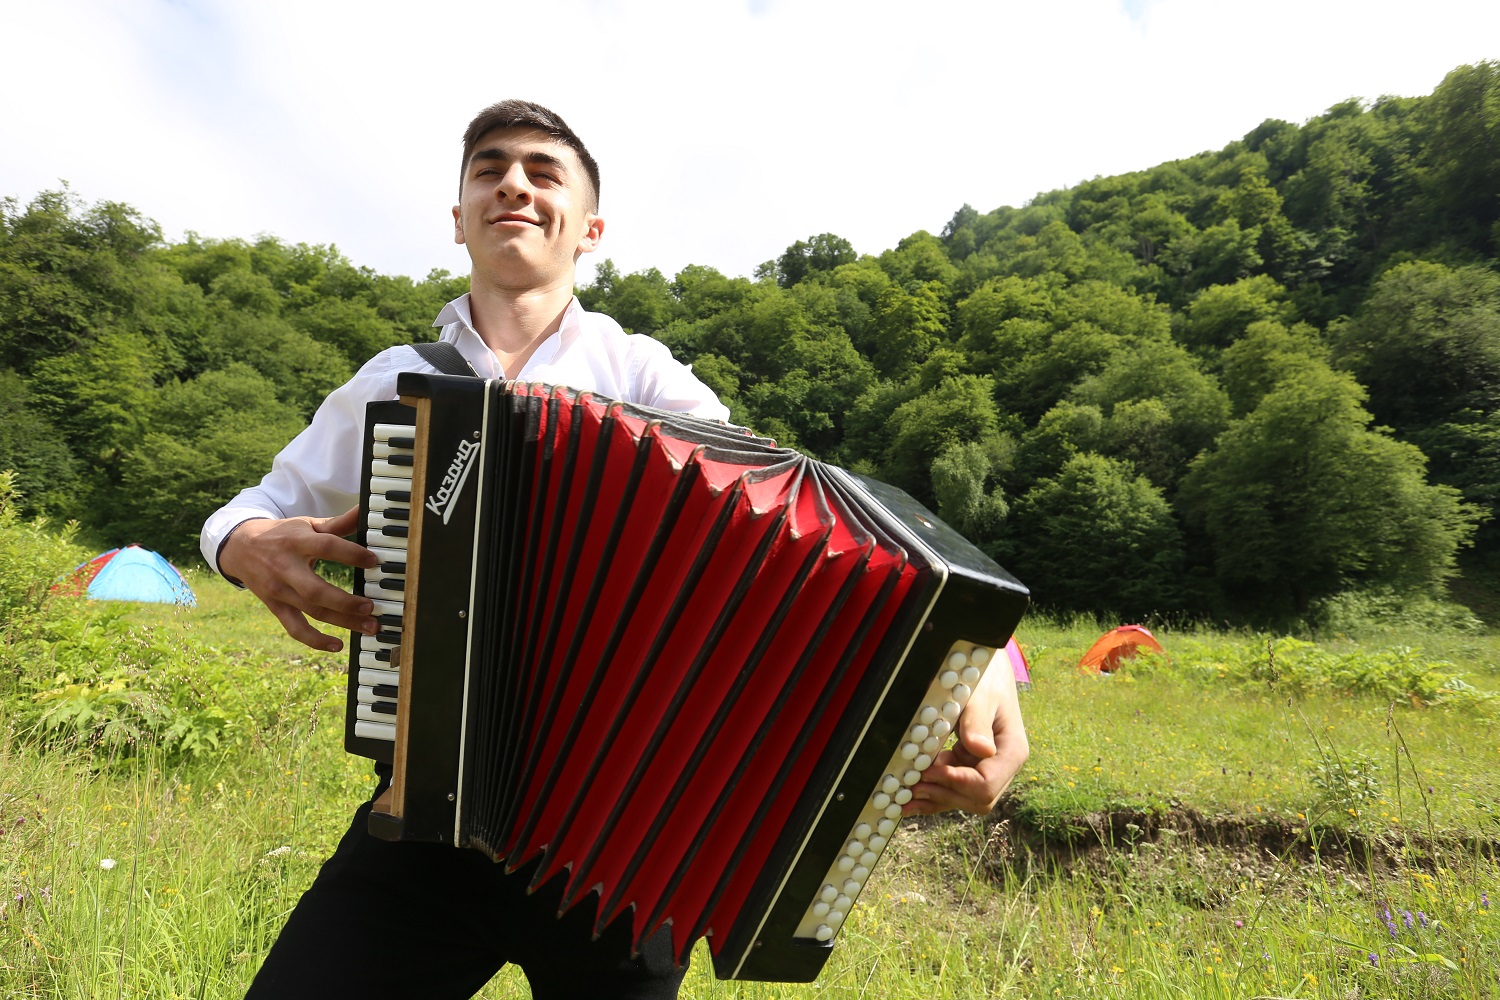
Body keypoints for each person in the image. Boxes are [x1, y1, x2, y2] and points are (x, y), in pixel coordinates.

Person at [201, 100, 1029, 1000]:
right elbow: (257, 507)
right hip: (425, 819)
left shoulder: (642, 374)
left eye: (543, 173)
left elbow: (799, 527)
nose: (514, 185)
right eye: (489, 169)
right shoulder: (394, 384)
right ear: (459, 218)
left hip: (627, 846)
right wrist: (243, 542)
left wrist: (979, 654)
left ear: (589, 229)